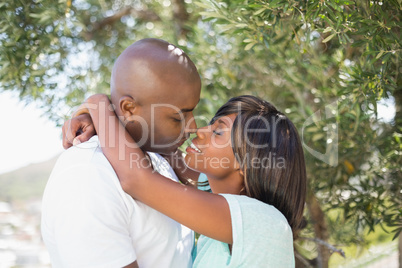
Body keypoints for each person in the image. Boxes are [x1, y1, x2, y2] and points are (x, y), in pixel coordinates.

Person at [66, 94, 307, 267]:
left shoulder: (263, 221)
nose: (200, 130)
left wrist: (97, 103)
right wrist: (97, 119)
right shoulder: (221, 219)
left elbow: (137, 179)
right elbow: (164, 150)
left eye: (218, 131)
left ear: (248, 162)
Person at [41, 38, 201, 267]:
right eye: (178, 116)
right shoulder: (89, 175)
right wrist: (97, 106)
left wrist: (97, 106)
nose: (193, 127)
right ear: (128, 108)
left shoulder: (159, 155)